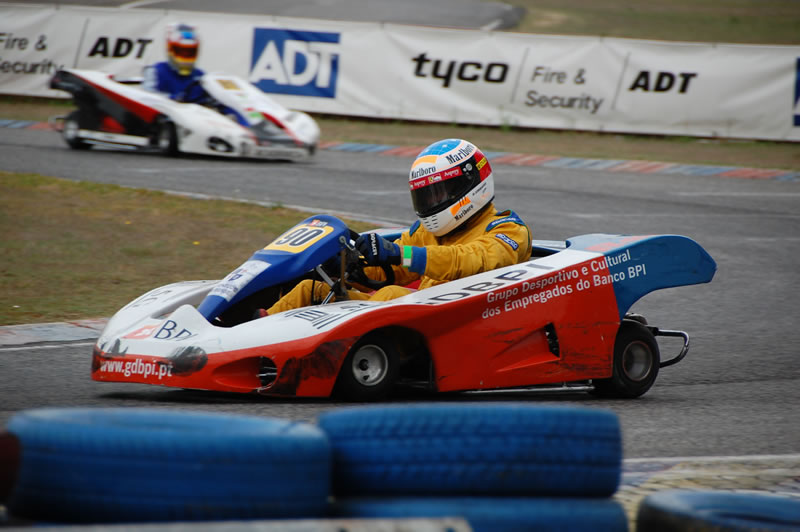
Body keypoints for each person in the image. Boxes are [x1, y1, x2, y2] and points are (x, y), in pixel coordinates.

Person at [265, 138, 532, 315]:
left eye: (437, 195)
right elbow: (392, 267)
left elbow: (469, 260)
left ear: (470, 184)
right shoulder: (428, 231)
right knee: (311, 289)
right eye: (425, 197)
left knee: (392, 295)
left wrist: (398, 254)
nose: (431, 204)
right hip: (412, 318)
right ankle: (244, 336)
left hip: (466, 322)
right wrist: (350, 267)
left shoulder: (507, 230)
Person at [142, 23, 208, 103]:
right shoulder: (155, 72)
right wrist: (173, 99)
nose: (186, 55)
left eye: (190, 52)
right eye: (182, 51)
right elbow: (146, 100)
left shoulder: (201, 76)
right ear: (170, 49)